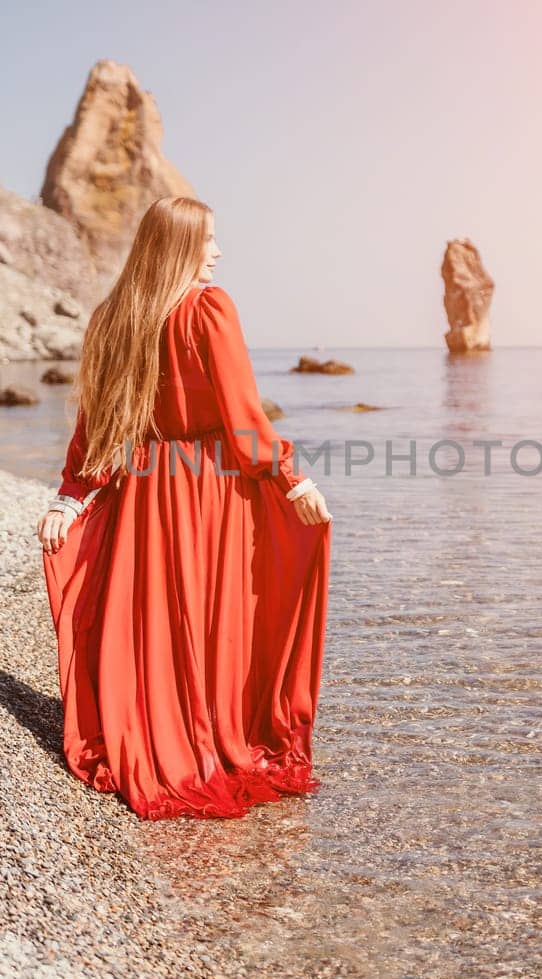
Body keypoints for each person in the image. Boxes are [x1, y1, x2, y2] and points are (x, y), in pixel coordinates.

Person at [37, 196, 333, 821]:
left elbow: (96, 422)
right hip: (210, 488)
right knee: (216, 620)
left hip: (144, 490)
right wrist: (291, 479)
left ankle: (158, 730)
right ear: (177, 248)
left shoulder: (113, 318)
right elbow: (244, 418)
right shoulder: (209, 311)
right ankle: (206, 738)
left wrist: (71, 493)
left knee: (163, 619)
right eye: (207, 242)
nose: (218, 254)